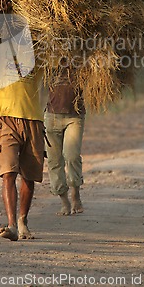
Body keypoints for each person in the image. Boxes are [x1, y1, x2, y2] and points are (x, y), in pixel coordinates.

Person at [0, 62, 44, 241]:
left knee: (29, 176)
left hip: (33, 119)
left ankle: (22, 220)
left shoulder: (39, 50)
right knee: (8, 172)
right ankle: (11, 224)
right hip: (5, 119)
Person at [44, 68, 85, 215]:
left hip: (75, 115)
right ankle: (64, 201)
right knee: (54, 161)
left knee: (72, 155)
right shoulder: (49, 58)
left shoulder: (81, 57)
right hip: (52, 116)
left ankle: (75, 194)